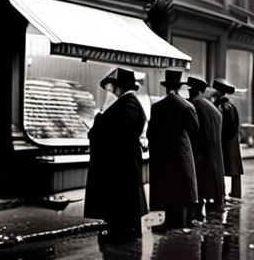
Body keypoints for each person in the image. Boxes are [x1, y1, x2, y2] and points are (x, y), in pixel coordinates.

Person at [84, 68, 147, 242]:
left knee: (122, 196)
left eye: (113, 87)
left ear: (120, 87)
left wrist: (99, 121)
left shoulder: (128, 103)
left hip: (122, 161)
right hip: (123, 160)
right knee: (124, 196)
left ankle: (122, 231)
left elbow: (117, 132)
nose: (111, 91)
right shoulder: (128, 103)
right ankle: (123, 228)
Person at [148, 69, 199, 229]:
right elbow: (195, 129)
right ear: (180, 87)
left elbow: (151, 132)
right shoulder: (187, 106)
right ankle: (182, 220)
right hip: (182, 151)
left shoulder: (157, 107)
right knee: (182, 185)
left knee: (167, 184)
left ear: (166, 87)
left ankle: (168, 220)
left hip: (163, 152)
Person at [186, 76, 225, 221]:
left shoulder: (194, 106)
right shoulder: (211, 107)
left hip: (200, 154)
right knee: (210, 187)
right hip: (213, 154)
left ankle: (195, 214)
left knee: (199, 187)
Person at [212, 78, 244, 199]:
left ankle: (225, 194)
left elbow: (227, 127)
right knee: (234, 169)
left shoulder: (224, 107)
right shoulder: (230, 106)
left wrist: (221, 137)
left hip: (226, 143)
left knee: (227, 168)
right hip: (231, 142)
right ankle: (234, 193)